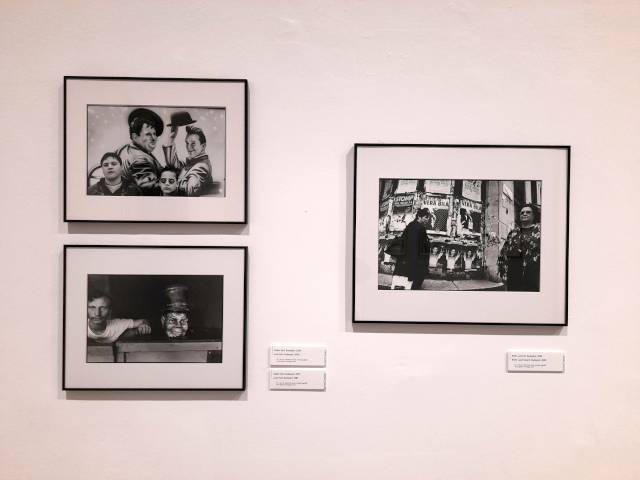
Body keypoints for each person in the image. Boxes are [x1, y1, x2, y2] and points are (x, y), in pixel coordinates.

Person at [115, 108, 164, 195]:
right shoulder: (140, 158)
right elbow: (148, 187)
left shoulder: (126, 149)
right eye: (148, 134)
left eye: (154, 133)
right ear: (135, 136)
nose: (154, 138)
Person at [163, 119, 214, 196]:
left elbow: (189, 191)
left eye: (193, 143)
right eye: (187, 143)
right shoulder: (193, 162)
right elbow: (172, 165)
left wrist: (172, 182)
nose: (188, 147)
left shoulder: (202, 167)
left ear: (203, 146)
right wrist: (171, 138)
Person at [498, 204, 541, 291]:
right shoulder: (513, 233)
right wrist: (503, 272)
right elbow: (503, 253)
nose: (524, 214)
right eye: (522, 212)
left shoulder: (540, 231)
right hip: (514, 276)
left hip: (534, 277)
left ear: (534, 215)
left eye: (528, 212)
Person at [87, 290, 151, 343]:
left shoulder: (117, 324)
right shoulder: (82, 326)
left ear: (110, 311)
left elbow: (143, 321)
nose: (97, 313)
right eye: (92, 307)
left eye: (103, 308)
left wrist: (144, 326)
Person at [393, 208, 431, 290]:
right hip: (416, 262)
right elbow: (414, 246)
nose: (427, 219)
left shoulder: (412, 225)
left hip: (413, 260)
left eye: (428, 217)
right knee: (414, 284)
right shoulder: (418, 227)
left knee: (411, 283)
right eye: (425, 217)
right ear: (419, 217)